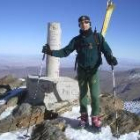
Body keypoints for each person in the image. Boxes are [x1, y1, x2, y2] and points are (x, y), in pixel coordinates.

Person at [42, 15, 118, 131]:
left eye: (86, 22)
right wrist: (51, 52)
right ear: (79, 25)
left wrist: (110, 59)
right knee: (82, 95)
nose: (84, 24)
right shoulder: (76, 40)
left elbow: (106, 50)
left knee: (94, 95)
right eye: (81, 22)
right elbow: (65, 51)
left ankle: (95, 117)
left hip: (93, 71)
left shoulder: (98, 37)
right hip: (82, 71)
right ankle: (84, 117)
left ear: (90, 23)